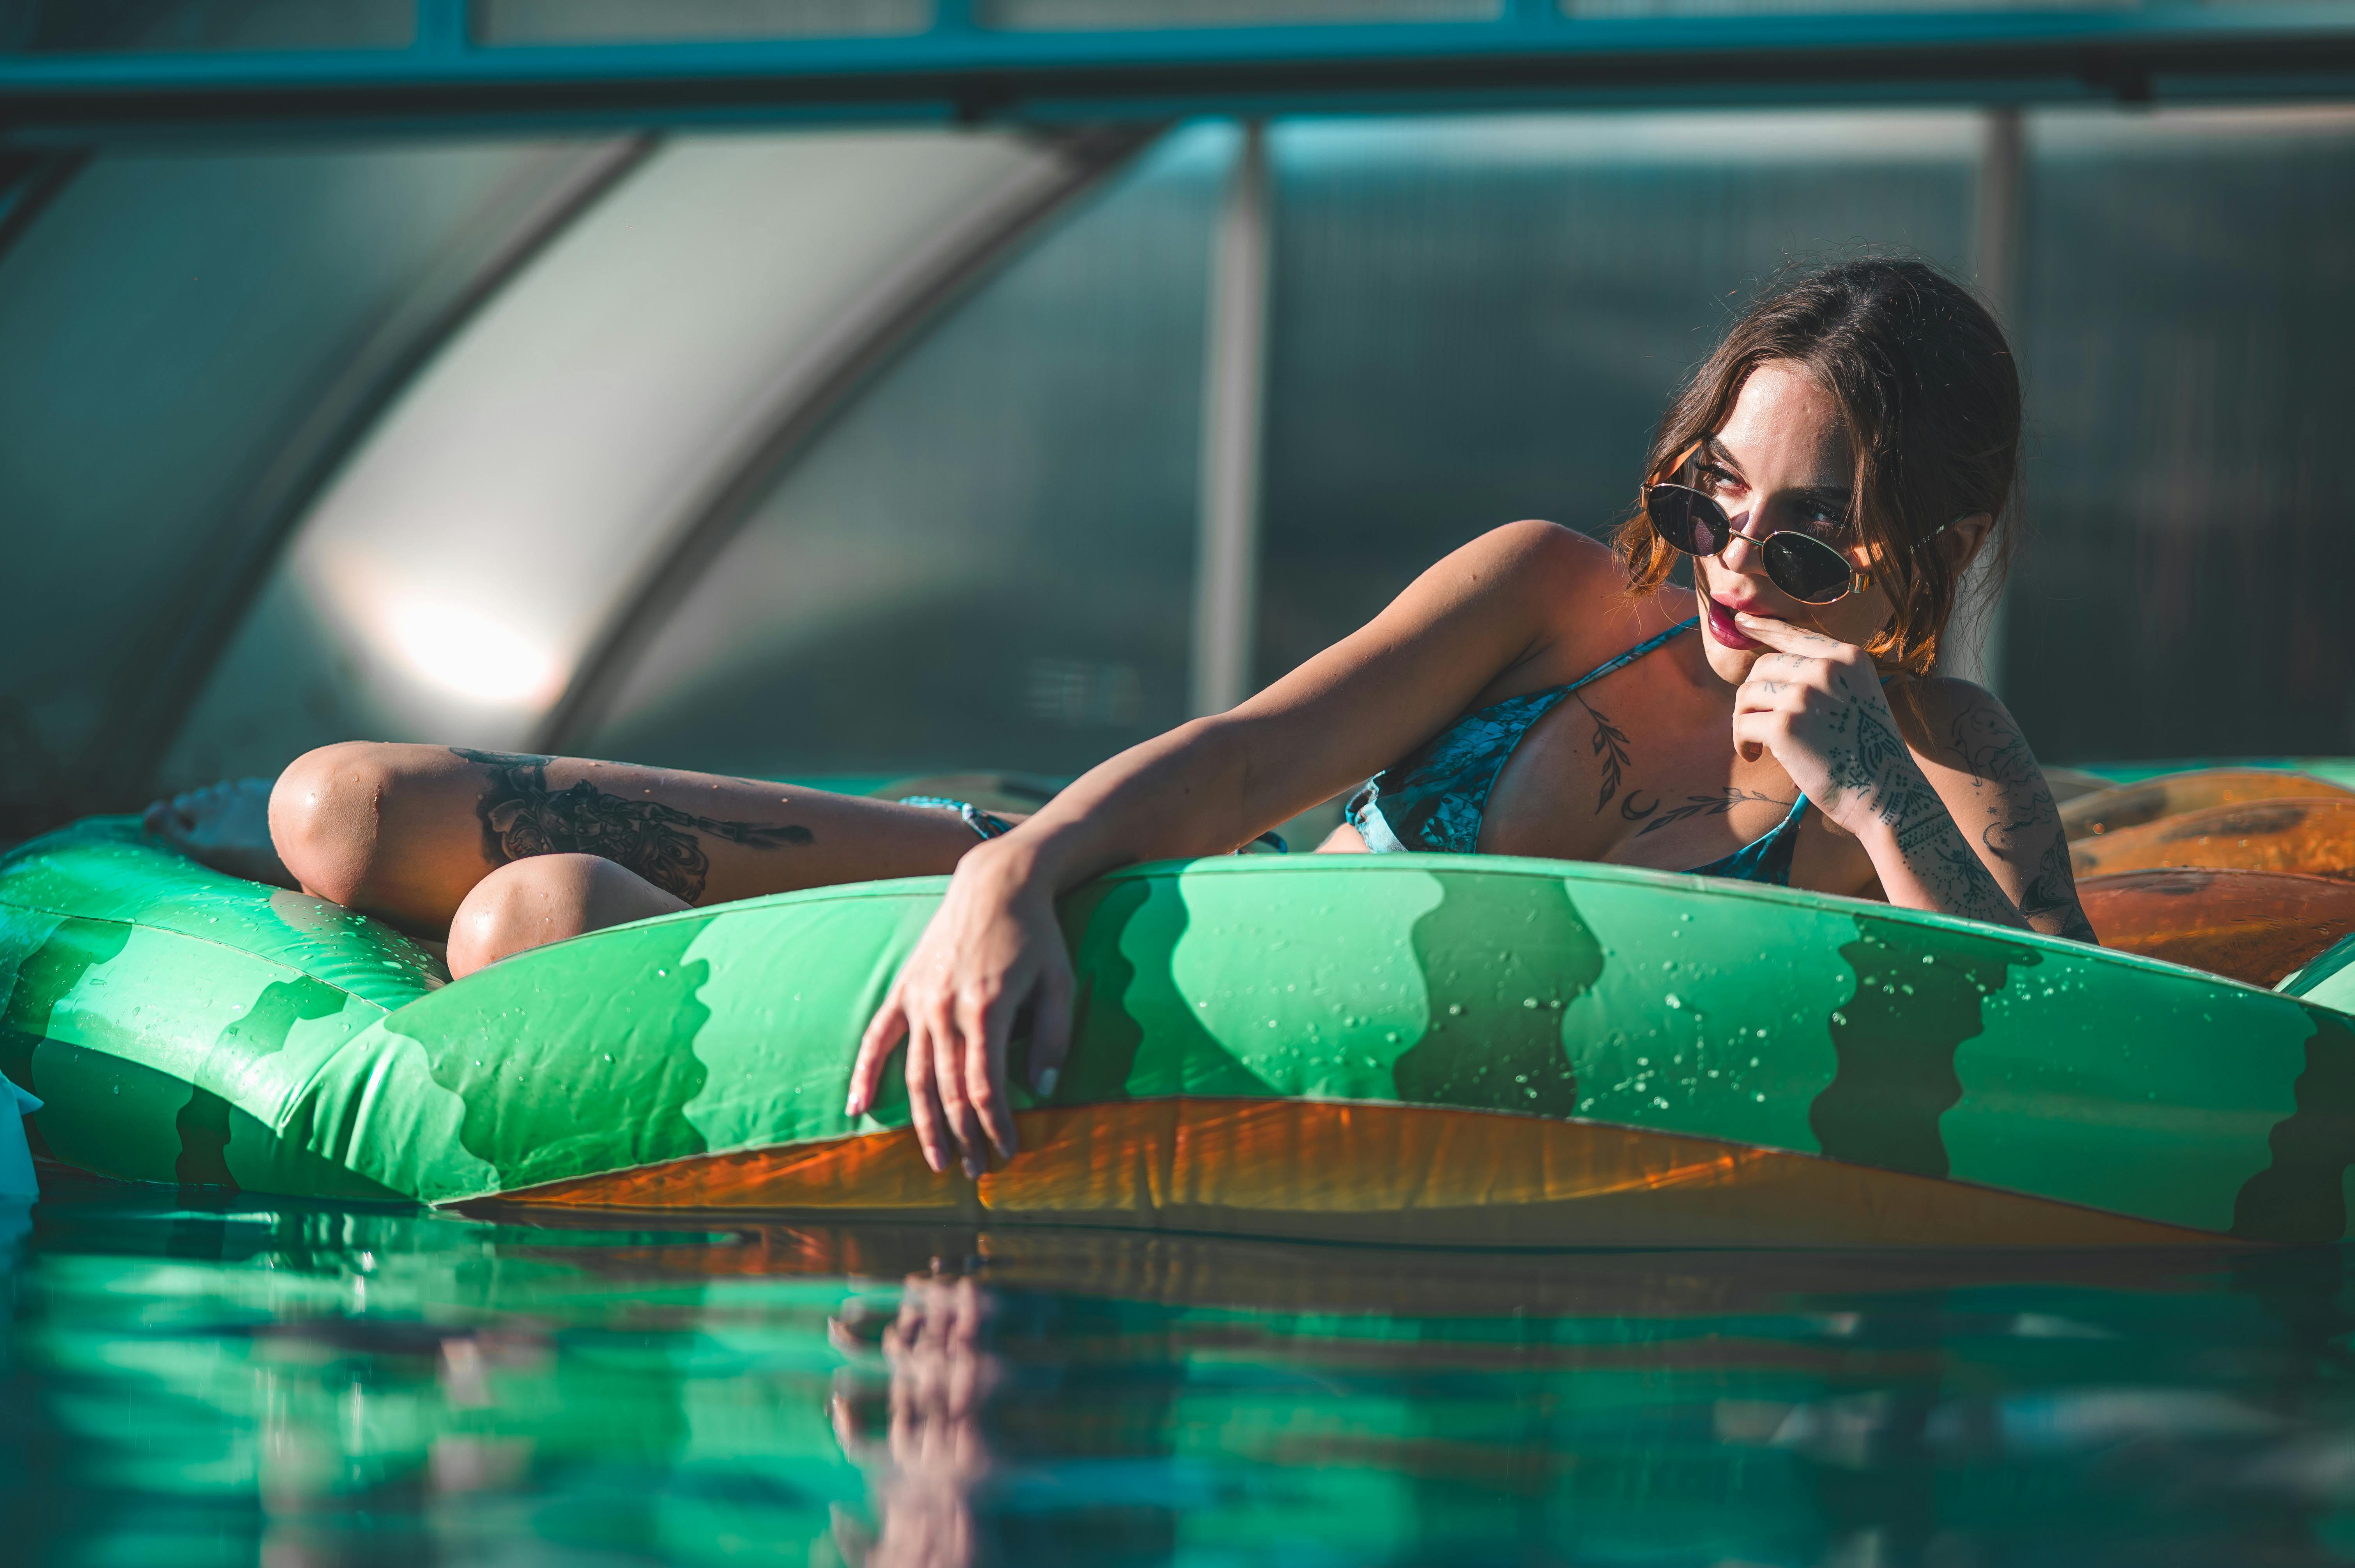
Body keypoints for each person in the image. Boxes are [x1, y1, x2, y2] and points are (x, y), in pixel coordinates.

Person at [150, 256, 2093, 1185]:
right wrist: (1019, 865)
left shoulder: (1947, 756)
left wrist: (1880, 801)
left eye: (1808, 544)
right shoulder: (1553, 597)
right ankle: (100, 847)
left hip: (1226, 1058)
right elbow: (1254, 758)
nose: (1731, 569)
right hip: (1191, 909)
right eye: (1703, 500)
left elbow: (2093, 1071)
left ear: (1924, 547)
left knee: (534, 932)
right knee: (352, 805)